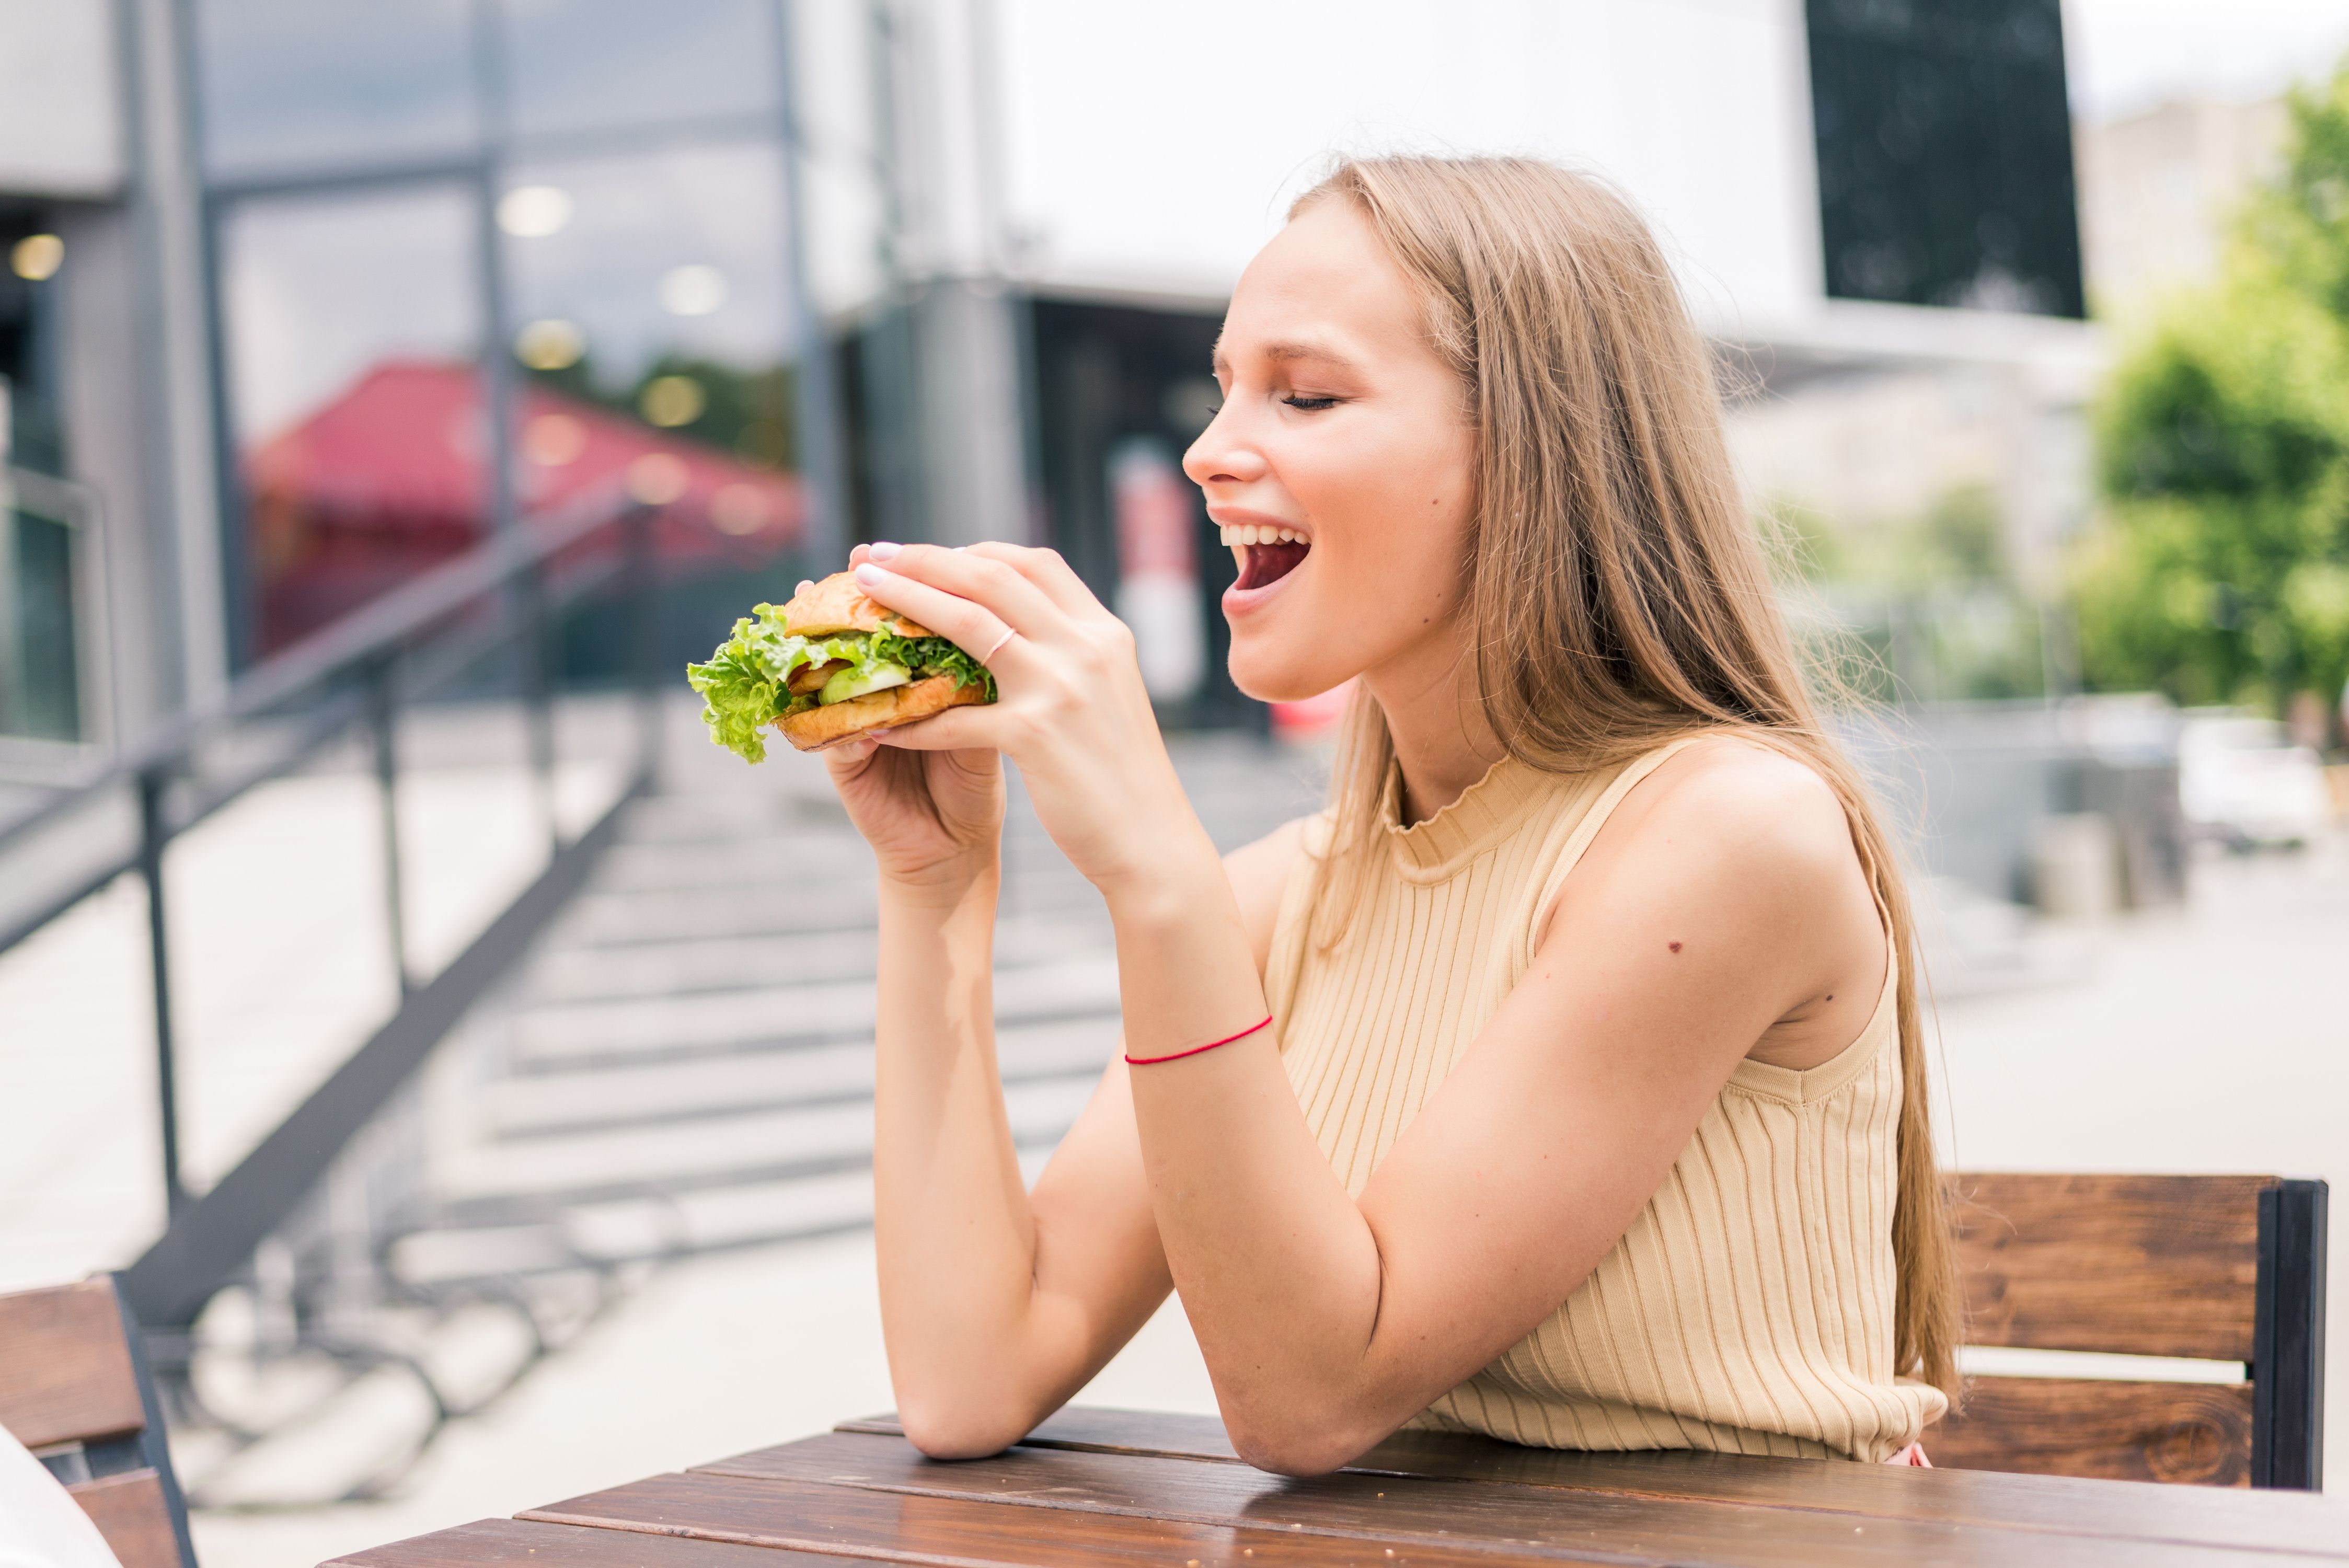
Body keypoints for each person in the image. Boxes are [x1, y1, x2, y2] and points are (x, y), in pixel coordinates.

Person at [817, 154, 1959, 1476]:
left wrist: (1152, 870)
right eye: (1224, 389)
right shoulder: (1279, 899)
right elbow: (970, 1381)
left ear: (1534, 448)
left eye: (1304, 394)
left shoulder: (1728, 836)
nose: (1208, 450)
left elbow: (1309, 1402)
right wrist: (938, 892)